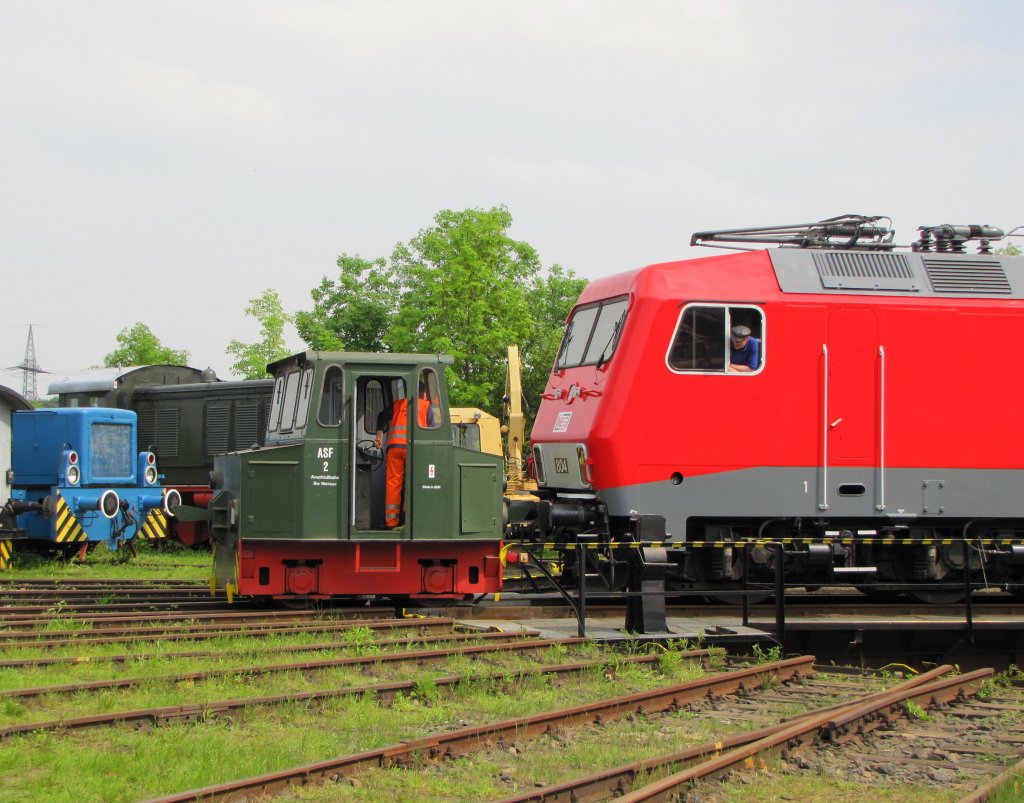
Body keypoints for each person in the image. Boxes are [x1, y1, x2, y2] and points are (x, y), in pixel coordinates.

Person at [373, 382, 432, 528]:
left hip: (394, 448)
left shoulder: (397, 404)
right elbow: (432, 430)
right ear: (422, 393)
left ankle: (391, 522)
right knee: (412, 482)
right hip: (414, 449)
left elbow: (382, 416)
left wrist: (379, 435)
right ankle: (407, 520)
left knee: (393, 483)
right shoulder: (426, 406)